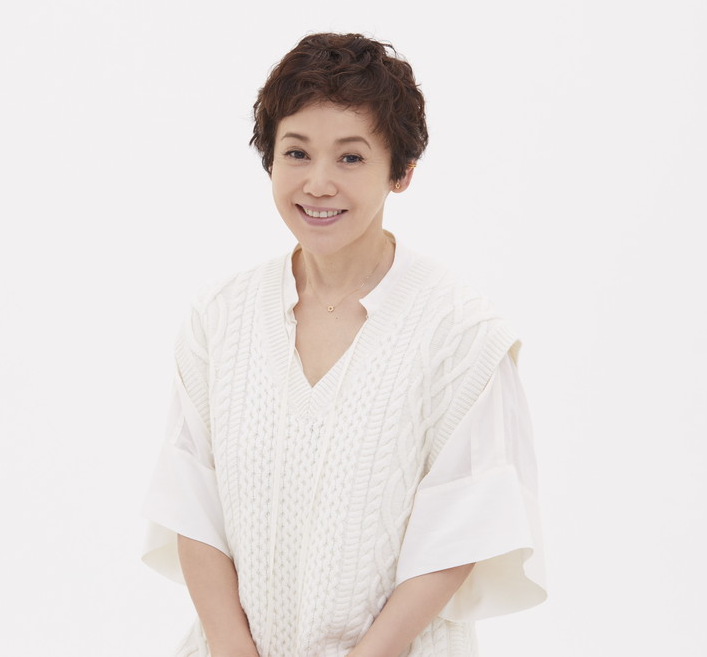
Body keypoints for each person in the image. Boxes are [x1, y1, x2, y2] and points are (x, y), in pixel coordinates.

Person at [141, 32, 546, 657]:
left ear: (401, 171)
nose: (318, 183)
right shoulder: (219, 317)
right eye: (296, 152)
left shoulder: (460, 333)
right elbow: (191, 503)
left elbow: (461, 530)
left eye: (351, 157)